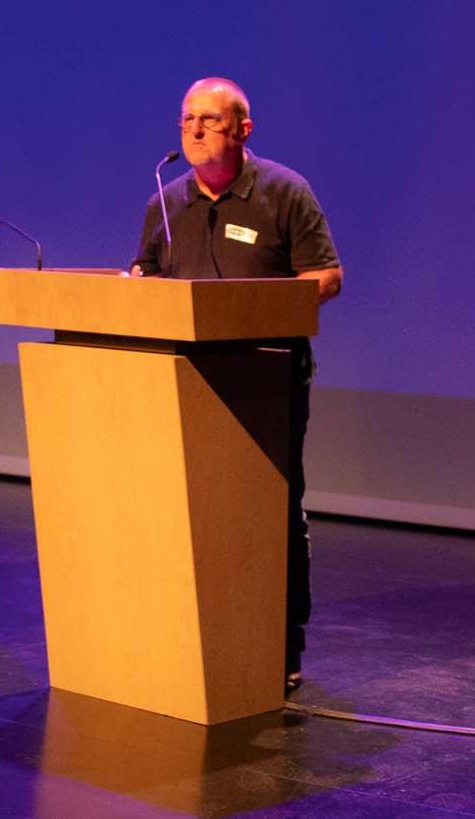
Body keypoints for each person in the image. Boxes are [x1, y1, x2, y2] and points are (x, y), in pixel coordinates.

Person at [129, 77, 342, 692]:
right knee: (184, 511)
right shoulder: (165, 202)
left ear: (243, 130)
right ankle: (187, 635)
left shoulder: (284, 191)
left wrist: (254, 308)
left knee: (271, 510)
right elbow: (144, 276)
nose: (194, 131)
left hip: (267, 378)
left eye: (210, 120)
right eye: (186, 119)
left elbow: (326, 277)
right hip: (181, 380)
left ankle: (279, 645)